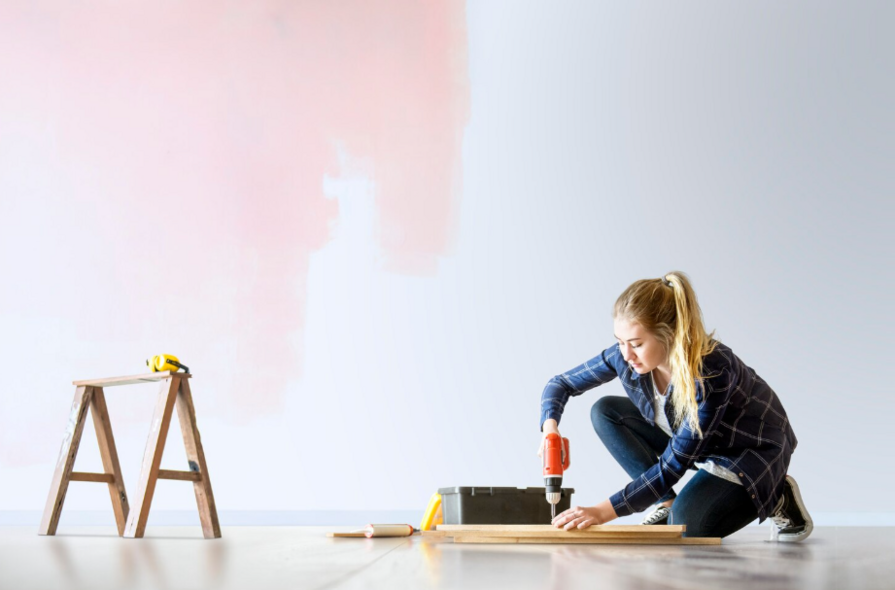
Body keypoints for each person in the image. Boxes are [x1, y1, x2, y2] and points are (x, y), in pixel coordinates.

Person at [537, 271, 812, 541]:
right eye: (620, 342)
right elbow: (560, 384)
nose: (626, 354)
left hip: (748, 450)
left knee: (686, 527)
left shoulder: (711, 372)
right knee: (605, 412)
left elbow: (673, 466)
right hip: (699, 443)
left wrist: (601, 512)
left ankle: (776, 495)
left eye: (636, 344)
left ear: (669, 335)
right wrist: (551, 429)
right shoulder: (625, 356)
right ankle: (666, 503)